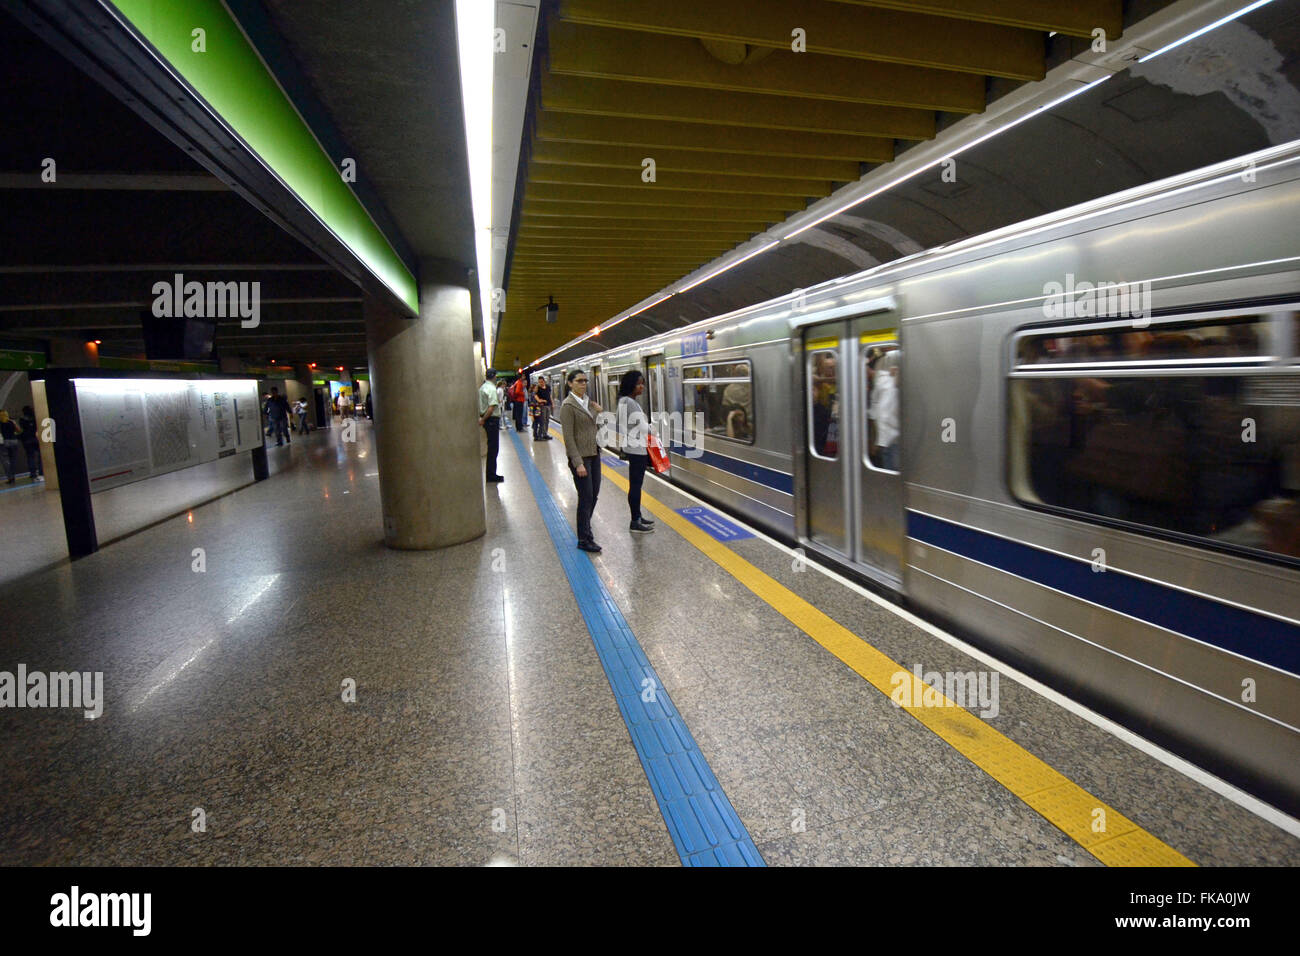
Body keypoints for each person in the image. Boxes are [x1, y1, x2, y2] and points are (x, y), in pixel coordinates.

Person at [559, 369, 603, 552]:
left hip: (594, 454)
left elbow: (596, 428)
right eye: (579, 381)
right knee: (585, 497)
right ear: (570, 383)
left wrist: (599, 414)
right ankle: (584, 539)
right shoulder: (568, 406)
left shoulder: (588, 403)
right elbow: (568, 437)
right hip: (582, 458)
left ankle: (585, 527)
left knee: (593, 495)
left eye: (585, 381)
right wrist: (578, 463)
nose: (583, 384)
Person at [618, 370, 656, 534]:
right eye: (639, 383)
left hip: (631, 446)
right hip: (637, 449)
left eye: (643, 384)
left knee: (635, 484)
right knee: (635, 486)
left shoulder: (623, 401)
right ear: (631, 384)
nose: (642, 387)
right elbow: (644, 428)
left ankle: (638, 516)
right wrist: (653, 428)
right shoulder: (631, 403)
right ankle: (635, 521)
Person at [478, 367, 503, 483]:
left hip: (488, 421)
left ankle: (490, 474)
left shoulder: (482, 387)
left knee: (491, 447)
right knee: (494, 448)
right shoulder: (491, 388)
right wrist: (483, 419)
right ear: (493, 376)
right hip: (492, 420)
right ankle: (491, 475)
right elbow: (492, 407)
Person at [18, 405, 42, 482]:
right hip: (35, 438)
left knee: (30, 457)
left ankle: (33, 473)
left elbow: (21, 429)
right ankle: (41, 471)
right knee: (40, 455)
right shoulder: (35, 418)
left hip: (27, 440)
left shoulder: (22, 419)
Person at [0, 411, 19, 484]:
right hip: (14, 441)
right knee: (13, 460)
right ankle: (13, 476)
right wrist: (14, 423)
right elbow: (18, 430)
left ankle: (10, 477)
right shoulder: (11, 421)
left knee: (5, 460)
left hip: (4, 442)